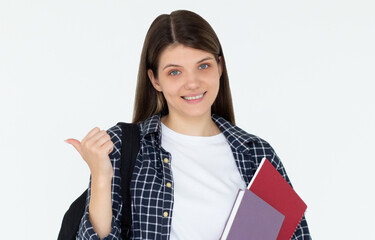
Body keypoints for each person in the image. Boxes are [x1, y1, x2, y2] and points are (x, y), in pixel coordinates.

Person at [65, 9, 311, 240]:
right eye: (175, 72)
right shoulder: (123, 146)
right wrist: (100, 176)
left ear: (220, 67)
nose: (192, 83)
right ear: (155, 79)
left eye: (203, 66)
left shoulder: (256, 154)